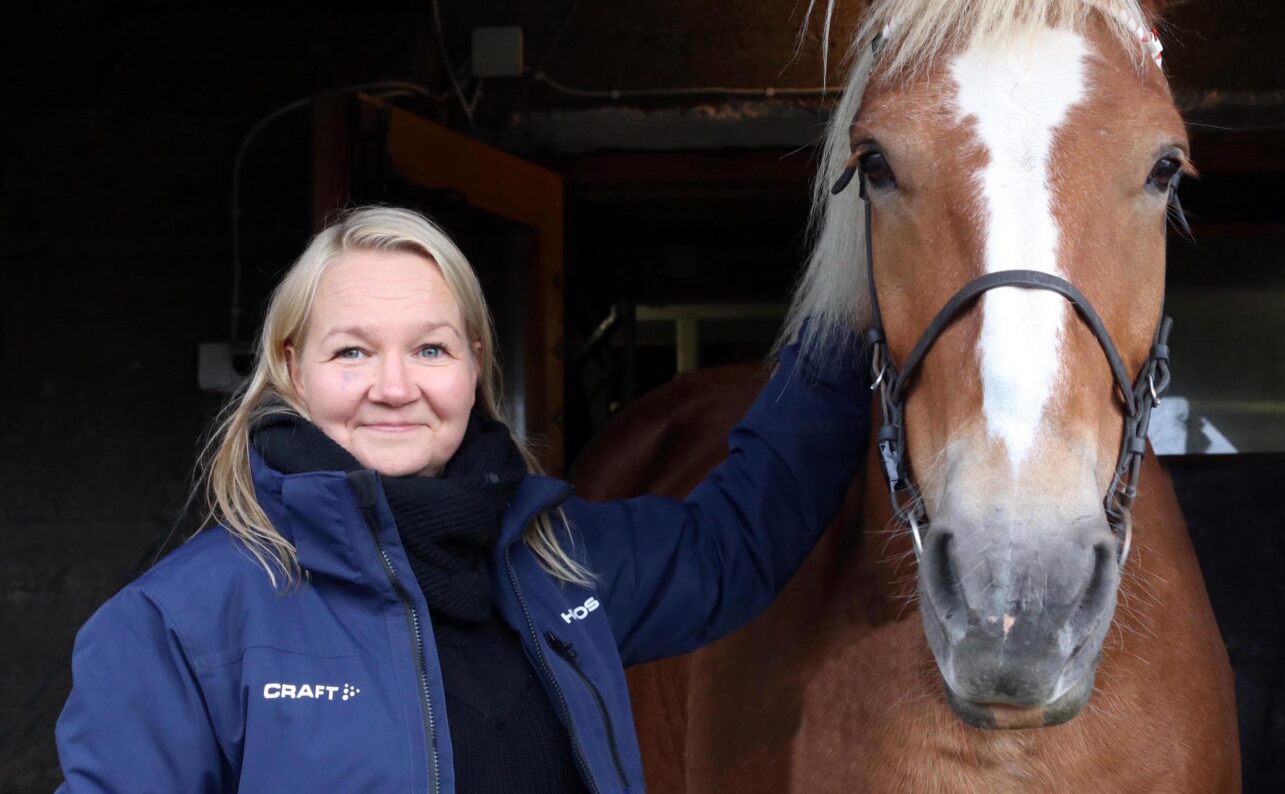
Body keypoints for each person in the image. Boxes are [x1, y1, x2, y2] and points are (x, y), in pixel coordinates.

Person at [55, 205, 868, 792]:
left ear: (475, 365)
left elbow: (735, 541)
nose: (395, 386)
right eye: (352, 352)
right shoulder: (179, 624)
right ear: (291, 367)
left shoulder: (558, 564)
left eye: (431, 347)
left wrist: (853, 298)